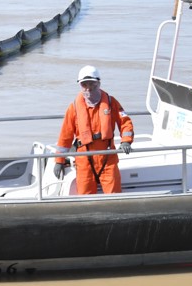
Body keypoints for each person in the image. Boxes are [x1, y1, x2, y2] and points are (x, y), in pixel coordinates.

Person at [54, 65, 135, 195]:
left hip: (107, 157)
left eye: (92, 84)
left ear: (98, 83)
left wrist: (126, 141)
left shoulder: (110, 102)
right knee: (85, 197)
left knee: (114, 195)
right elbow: (65, 136)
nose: (88, 88)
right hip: (84, 159)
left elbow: (125, 122)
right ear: (80, 85)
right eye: (84, 85)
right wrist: (59, 161)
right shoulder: (73, 108)